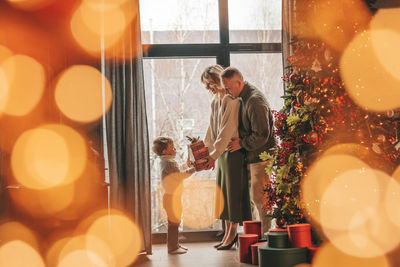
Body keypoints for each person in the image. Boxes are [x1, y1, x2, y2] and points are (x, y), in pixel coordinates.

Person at [201, 65, 252, 250]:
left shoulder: (232, 101)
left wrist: (214, 154)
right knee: (224, 195)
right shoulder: (216, 101)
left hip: (231, 152)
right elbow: (212, 128)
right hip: (221, 153)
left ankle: (232, 235)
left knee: (233, 195)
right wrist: (208, 151)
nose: (208, 88)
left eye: (209, 84)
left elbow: (227, 131)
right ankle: (228, 234)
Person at [223, 67, 276, 234]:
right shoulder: (243, 97)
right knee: (256, 198)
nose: (226, 91)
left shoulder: (254, 101)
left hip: (261, 157)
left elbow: (262, 134)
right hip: (255, 156)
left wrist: (242, 143)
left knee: (261, 199)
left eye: (228, 87)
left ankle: (266, 237)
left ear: (238, 83)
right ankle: (260, 236)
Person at [152, 136, 195, 254]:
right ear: (165, 151)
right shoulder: (169, 162)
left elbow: (176, 171)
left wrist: (186, 165)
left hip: (169, 197)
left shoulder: (165, 161)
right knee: (174, 223)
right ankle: (172, 247)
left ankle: (175, 244)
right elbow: (180, 176)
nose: (175, 149)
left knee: (174, 222)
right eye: (172, 147)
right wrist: (194, 168)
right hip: (172, 198)